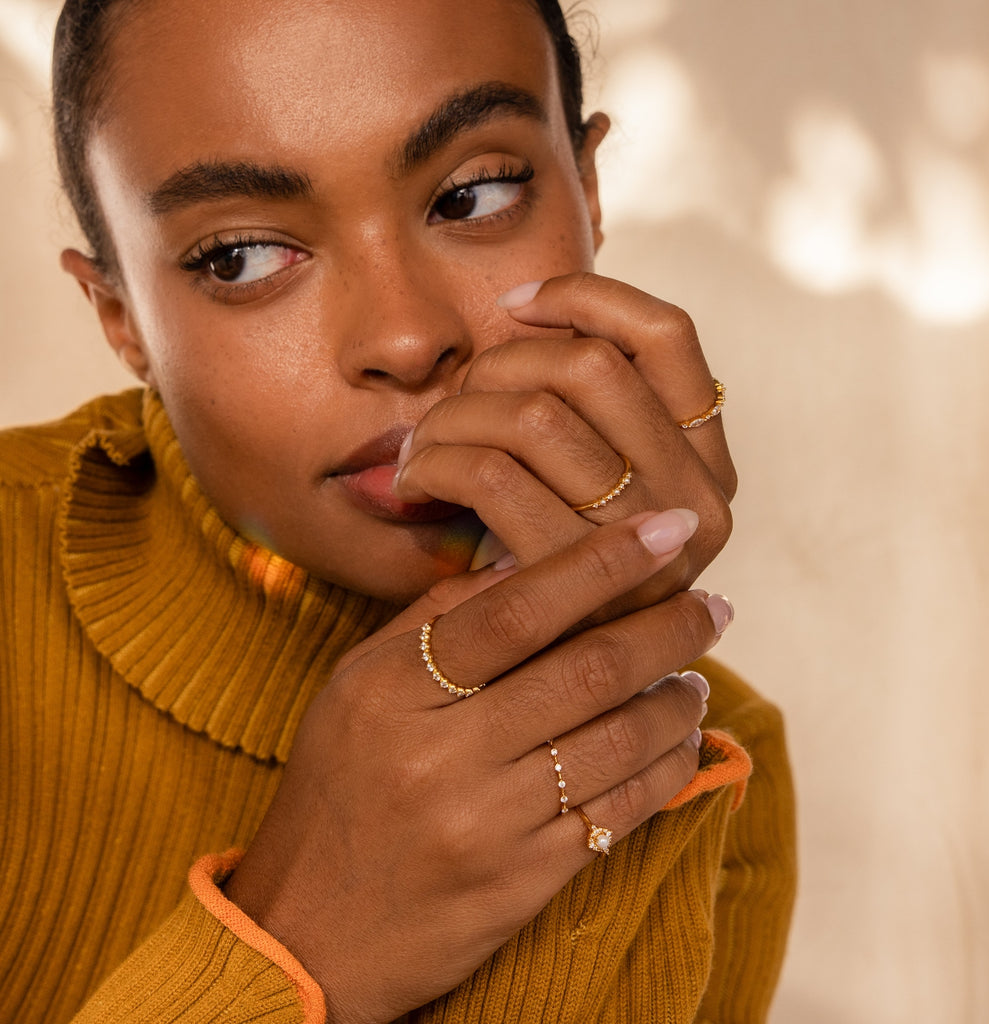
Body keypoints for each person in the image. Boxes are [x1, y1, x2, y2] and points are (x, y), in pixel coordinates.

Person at [0, 0, 796, 1021]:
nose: (407, 339)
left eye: (473, 196)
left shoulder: (708, 760)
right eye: (240, 256)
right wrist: (297, 942)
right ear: (122, 320)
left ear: (588, 192)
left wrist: (575, 698)